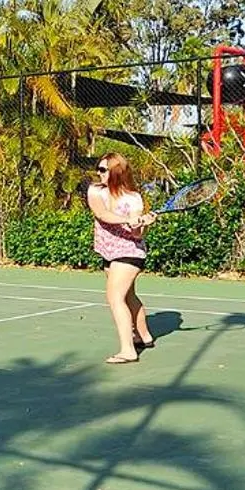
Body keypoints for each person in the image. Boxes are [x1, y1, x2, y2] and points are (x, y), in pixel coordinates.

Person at [86, 154, 156, 364]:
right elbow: (102, 214)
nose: (99, 173)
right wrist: (128, 219)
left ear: (116, 172)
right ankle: (144, 336)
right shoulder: (95, 191)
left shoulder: (133, 197)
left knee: (115, 298)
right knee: (128, 297)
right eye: (99, 169)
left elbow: (137, 235)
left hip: (129, 253)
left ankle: (128, 350)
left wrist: (144, 224)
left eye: (103, 170)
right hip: (108, 252)